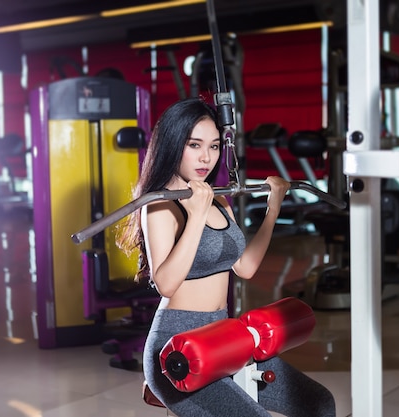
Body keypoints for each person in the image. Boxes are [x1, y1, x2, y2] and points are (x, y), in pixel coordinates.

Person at [118, 97, 336, 417]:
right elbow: (165, 283)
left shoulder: (222, 203)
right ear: (173, 144)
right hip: (177, 350)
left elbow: (244, 267)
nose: (207, 157)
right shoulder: (161, 205)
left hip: (224, 338)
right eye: (195, 145)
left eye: (215, 146)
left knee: (319, 403)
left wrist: (273, 208)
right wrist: (195, 216)